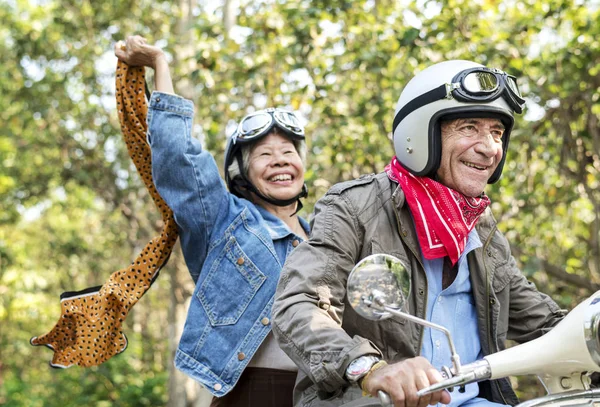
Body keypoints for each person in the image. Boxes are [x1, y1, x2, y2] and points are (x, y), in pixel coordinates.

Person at [271, 60, 566, 407]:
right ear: (419, 133)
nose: (489, 148)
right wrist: (369, 368)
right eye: (469, 127)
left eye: (497, 133)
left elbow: (547, 323)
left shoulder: (482, 232)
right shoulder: (354, 207)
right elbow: (299, 303)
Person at [114, 35, 310, 407]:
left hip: (322, 395)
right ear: (241, 172)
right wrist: (160, 63)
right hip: (250, 394)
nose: (281, 160)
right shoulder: (224, 221)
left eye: (288, 151)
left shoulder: (327, 235)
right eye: (265, 154)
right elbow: (177, 155)